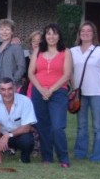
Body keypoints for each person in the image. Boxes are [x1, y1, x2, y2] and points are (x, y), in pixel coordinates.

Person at [28, 23, 73, 167]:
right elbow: (30, 73)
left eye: (54, 33)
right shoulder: (38, 51)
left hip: (58, 92)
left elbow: (67, 75)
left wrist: (51, 89)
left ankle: (64, 158)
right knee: (43, 126)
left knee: (57, 126)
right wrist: (41, 89)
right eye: (48, 33)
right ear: (44, 36)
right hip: (39, 92)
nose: (51, 36)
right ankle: (47, 156)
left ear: (59, 36)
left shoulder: (65, 52)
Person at [70, 21, 100, 162]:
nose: (85, 33)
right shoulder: (73, 51)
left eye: (88, 31)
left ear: (93, 33)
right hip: (80, 94)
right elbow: (69, 71)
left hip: (97, 93)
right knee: (81, 125)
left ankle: (97, 156)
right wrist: (73, 86)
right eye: (83, 31)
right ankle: (80, 153)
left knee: (97, 126)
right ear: (79, 33)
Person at [0, 78, 37, 164]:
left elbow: (27, 128)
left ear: (15, 88)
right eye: (3, 89)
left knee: (27, 140)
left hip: (17, 134)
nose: (6, 93)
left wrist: (8, 135)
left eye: (10, 89)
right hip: (0, 133)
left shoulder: (25, 101)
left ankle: (24, 158)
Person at [0, 18, 26, 89]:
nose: (4, 32)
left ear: (12, 32)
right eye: (2, 29)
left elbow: (21, 67)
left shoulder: (16, 47)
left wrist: (12, 81)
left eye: (7, 29)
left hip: (10, 87)